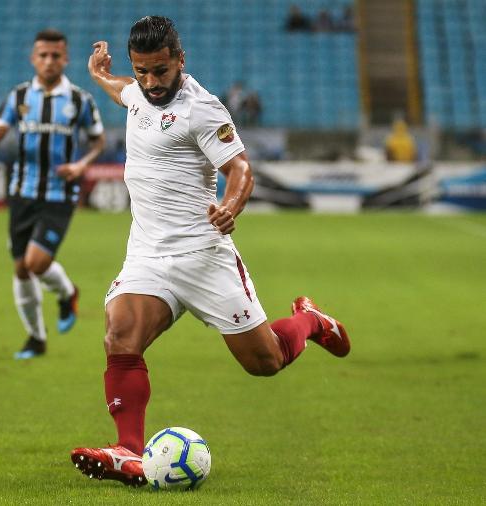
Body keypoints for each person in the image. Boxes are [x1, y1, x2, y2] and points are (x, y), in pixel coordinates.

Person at [70, 16, 351, 487]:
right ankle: (127, 450)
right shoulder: (139, 90)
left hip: (203, 254)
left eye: (161, 70)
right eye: (143, 71)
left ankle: (310, 320)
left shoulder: (203, 109)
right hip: (148, 254)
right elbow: (124, 91)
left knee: (266, 361)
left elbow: (240, 169)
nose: (151, 82)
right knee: (120, 337)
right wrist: (101, 74)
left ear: (181, 59)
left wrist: (230, 205)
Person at [0, 29, 106, 360]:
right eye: (43, 55)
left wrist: (82, 165)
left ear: (65, 59)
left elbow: (98, 141)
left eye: (56, 55)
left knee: (36, 262)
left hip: (59, 193)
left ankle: (67, 293)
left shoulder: (79, 100)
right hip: (22, 192)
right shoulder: (18, 97)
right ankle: (36, 338)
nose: (49, 61)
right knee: (21, 268)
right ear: (33, 58)